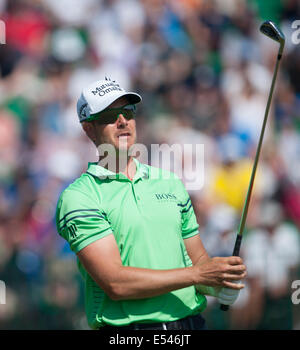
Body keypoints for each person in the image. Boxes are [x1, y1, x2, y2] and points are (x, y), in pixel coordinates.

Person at [55, 77, 247, 330]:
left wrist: (219, 281)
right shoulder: (80, 197)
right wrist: (199, 275)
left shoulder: (170, 182)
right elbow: (116, 283)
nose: (122, 121)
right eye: (110, 115)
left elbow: (199, 263)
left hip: (192, 326)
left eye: (127, 112)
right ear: (88, 128)